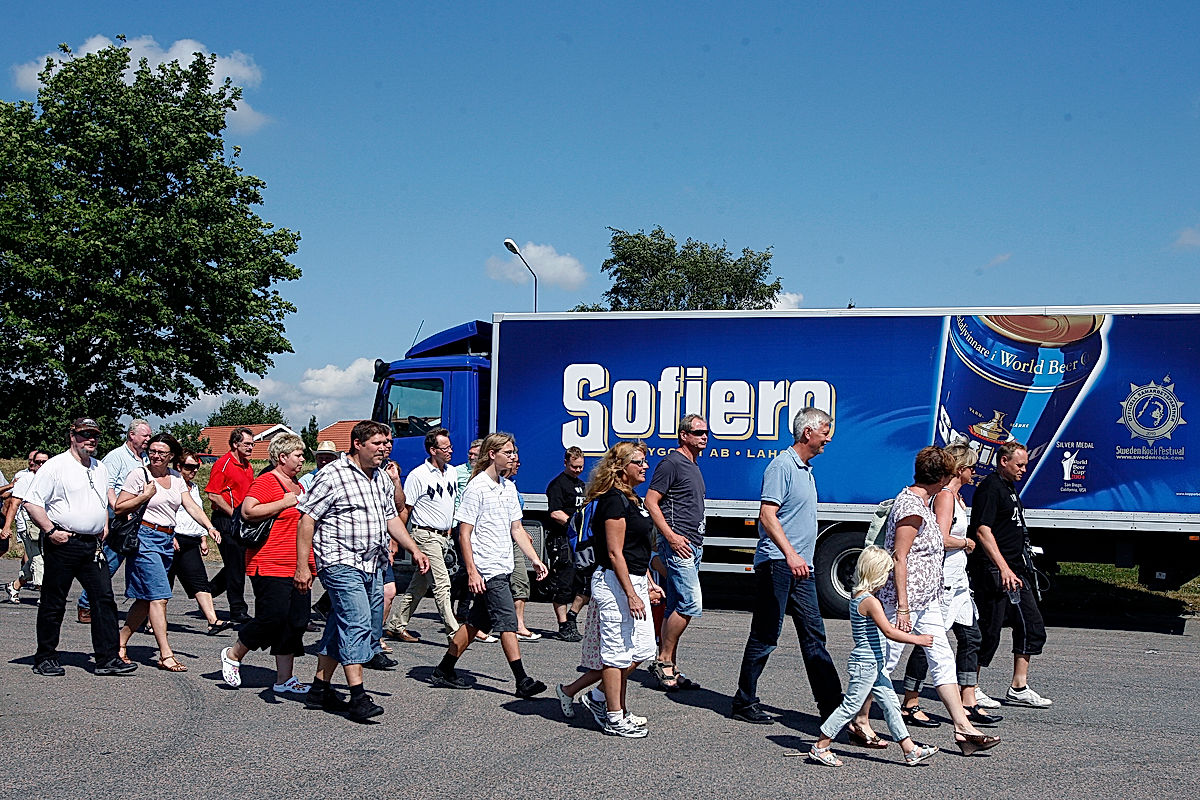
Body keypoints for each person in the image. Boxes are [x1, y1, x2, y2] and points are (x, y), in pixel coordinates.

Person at [857, 446, 1001, 755]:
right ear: (940, 477)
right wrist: (903, 607)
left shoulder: (923, 502)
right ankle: (860, 719)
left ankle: (963, 728)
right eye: (949, 474)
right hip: (903, 601)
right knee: (885, 661)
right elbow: (900, 556)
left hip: (928, 598)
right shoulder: (910, 506)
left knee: (943, 658)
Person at [293, 420, 430, 721]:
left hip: (372, 562)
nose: (384, 448)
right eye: (377, 443)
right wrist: (303, 566)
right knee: (357, 622)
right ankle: (358, 697)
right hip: (339, 561)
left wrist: (414, 549)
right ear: (358, 444)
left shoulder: (380, 478)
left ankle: (319, 689)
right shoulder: (333, 475)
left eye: (386, 443)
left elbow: (391, 519)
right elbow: (307, 519)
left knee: (338, 624)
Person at [732, 408, 844, 725]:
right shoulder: (782, 466)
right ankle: (744, 701)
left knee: (814, 635)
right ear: (808, 432)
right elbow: (767, 515)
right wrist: (791, 554)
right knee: (766, 634)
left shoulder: (805, 470)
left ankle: (833, 708)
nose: (828, 438)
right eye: (825, 431)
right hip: (779, 563)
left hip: (800, 566)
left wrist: (800, 558)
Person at [555, 441, 664, 738]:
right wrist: (631, 593)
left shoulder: (633, 498)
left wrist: (648, 581)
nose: (645, 466)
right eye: (639, 462)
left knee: (642, 649)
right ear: (621, 468)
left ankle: (598, 698)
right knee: (616, 654)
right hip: (614, 583)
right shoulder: (613, 500)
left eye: (645, 461)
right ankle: (615, 716)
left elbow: (636, 549)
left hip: (634, 579)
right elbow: (615, 554)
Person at [429, 432, 550, 698]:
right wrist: (472, 571)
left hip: (503, 565)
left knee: (475, 623)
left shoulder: (509, 488)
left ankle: (444, 669)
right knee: (507, 621)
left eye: (514, 452)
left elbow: (517, 529)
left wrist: (535, 559)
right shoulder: (477, 487)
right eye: (508, 452)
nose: (513, 457)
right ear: (492, 454)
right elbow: (464, 533)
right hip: (487, 568)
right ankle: (522, 680)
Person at [807, 546, 940, 767]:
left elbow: (884, 630)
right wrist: (918, 639)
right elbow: (888, 632)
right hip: (866, 664)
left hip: (874, 664)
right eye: (886, 573)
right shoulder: (870, 601)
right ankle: (820, 747)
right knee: (850, 706)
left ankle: (910, 750)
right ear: (876, 573)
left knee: (891, 705)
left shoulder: (859, 596)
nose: (888, 578)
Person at [900, 442, 1001, 728]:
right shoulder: (944, 497)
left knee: (972, 637)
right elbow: (940, 538)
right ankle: (910, 701)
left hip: (959, 580)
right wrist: (966, 542)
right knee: (930, 642)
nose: (974, 472)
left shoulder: (957, 498)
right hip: (944, 579)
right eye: (971, 467)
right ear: (960, 469)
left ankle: (968, 700)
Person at [25, 418, 136, 676]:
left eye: (95, 435)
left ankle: (107, 658)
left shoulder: (99, 467)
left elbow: (102, 499)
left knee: (104, 599)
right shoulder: (56, 466)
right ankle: (45, 657)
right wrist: (50, 531)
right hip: (63, 542)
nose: (91, 439)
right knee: (54, 601)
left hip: (92, 545)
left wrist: (104, 523)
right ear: (72, 436)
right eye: (85, 434)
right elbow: (31, 502)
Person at [115, 433, 219, 672]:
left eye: (161, 452)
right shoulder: (139, 475)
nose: (156, 456)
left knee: (145, 600)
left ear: (171, 455)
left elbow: (191, 505)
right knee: (159, 597)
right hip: (145, 538)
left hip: (166, 539)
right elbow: (119, 507)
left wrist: (209, 527)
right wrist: (144, 496)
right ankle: (165, 654)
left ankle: (119, 643)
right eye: (152, 451)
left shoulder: (176, 478)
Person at [220, 433, 315, 695]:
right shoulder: (267, 481)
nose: (302, 460)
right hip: (270, 562)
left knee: (296, 621)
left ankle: (284, 679)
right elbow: (248, 510)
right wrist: (283, 502)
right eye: (298, 455)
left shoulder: (299, 486)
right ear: (282, 457)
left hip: (299, 564)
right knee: (272, 618)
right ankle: (233, 654)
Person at [969, 441, 1052, 708]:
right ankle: (971, 687)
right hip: (994, 570)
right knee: (989, 629)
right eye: (1020, 465)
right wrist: (1003, 568)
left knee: (1031, 624)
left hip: (1017, 569)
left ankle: (1019, 686)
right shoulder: (990, 488)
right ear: (1003, 461)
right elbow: (982, 530)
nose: (1024, 470)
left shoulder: (1009, 487)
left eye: (1026, 465)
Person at [647, 414, 708, 691]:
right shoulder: (671, 463)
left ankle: (671, 664)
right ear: (684, 435)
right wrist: (670, 537)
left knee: (675, 605)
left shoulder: (692, 465)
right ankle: (663, 660)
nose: (704, 437)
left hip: (693, 544)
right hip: (678, 545)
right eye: (698, 432)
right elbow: (651, 501)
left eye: (706, 433)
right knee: (690, 603)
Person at [383, 428, 461, 643]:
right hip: (425, 536)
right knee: (442, 584)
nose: (450, 451)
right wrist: (395, 540)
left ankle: (396, 624)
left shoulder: (452, 472)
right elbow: (405, 509)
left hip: (443, 537)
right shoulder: (419, 475)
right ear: (433, 450)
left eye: (450, 447)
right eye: (445, 448)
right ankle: (454, 633)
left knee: (419, 585)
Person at [77, 419, 151, 623]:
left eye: (149, 435)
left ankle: (144, 609)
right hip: (120, 519)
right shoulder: (116, 457)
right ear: (131, 435)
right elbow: (106, 485)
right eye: (145, 435)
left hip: (139, 519)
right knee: (109, 562)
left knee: (140, 564)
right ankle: (85, 603)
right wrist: (119, 510)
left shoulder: (145, 458)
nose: (148, 439)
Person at [167, 451, 229, 635]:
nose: (194, 471)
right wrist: (171, 536)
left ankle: (213, 621)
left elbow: (197, 512)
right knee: (164, 585)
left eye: (196, 467)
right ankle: (150, 621)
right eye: (189, 467)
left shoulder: (193, 488)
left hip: (191, 540)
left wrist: (203, 537)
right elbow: (167, 513)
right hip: (173, 538)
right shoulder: (171, 485)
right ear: (178, 467)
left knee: (199, 580)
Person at [207, 427, 257, 625]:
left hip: (242, 519)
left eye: (252, 444)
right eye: (247, 444)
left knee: (238, 563)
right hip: (226, 519)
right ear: (235, 444)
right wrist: (233, 514)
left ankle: (207, 592)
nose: (251, 447)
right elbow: (213, 494)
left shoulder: (247, 465)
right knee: (235, 564)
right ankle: (237, 609)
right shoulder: (223, 464)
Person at [544, 447, 589, 641]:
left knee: (585, 582)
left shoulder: (581, 485)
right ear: (565, 463)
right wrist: (574, 525)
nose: (578, 470)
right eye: (574, 466)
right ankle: (563, 625)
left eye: (580, 467)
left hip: (579, 540)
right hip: (561, 539)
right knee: (564, 582)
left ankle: (572, 616)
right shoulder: (557, 485)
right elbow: (555, 512)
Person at [3, 450, 49, 603]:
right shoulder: (25, 479)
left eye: (44, 462)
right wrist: (7, 527)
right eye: (38, 462)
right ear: (32, 464)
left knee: (40, 560)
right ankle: (44, 595)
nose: (41, 465)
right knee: (38, 559)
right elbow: (13, 505)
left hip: (47, 525)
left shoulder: (52, 479)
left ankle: (15, 585)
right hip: (28, 526)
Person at [506, 451, 539, 640]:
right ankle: (479, 626)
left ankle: (519, 625)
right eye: (514, 461)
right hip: (499, 542)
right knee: (495, 584)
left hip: (514, 540)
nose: (517, 465)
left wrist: (522, 531)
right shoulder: (492, 485)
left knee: (521, 580)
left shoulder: (512, 486)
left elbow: (515, 519)